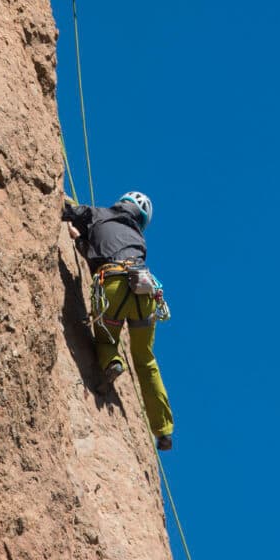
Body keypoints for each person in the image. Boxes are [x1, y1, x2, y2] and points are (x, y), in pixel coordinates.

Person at [62, 191, 174, 451]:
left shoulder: (97, 213)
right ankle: (164, 431)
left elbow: (68, 211)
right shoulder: (138, 237)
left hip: (112, 286)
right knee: (145, 360)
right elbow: (105, 247)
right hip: (143, 290)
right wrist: (82, 242)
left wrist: (72, 218)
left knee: (106, 337)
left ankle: (112, 362)